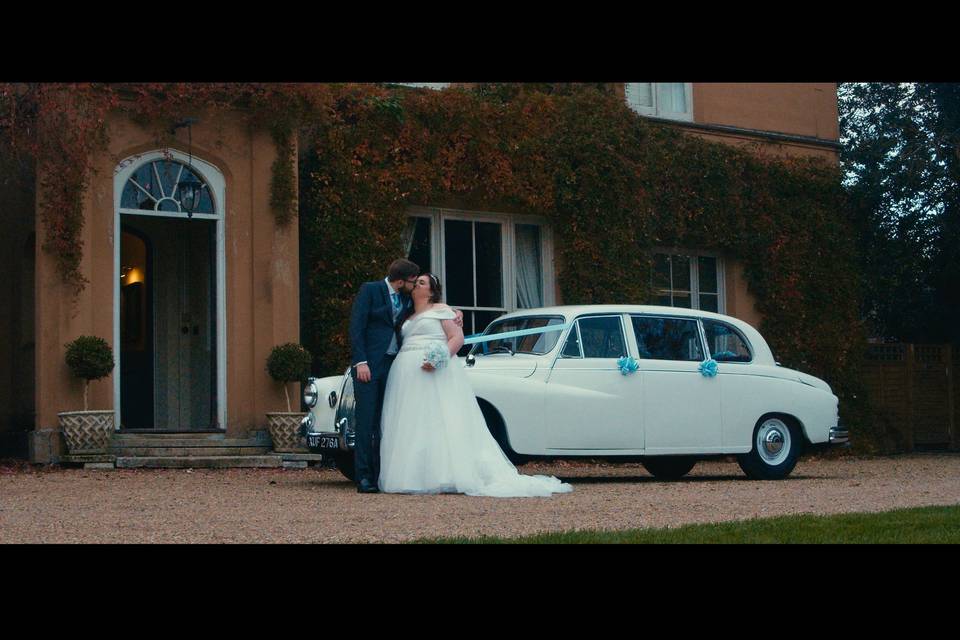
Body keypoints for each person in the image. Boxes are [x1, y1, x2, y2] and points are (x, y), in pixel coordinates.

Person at [378, 273, 573, 497]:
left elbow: (456, 338)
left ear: (431, 291)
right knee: (412, 423)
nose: (416, 285)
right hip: (407, 373)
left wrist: (439, 358)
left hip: (434, 371)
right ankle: (414, 475)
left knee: (440, 419)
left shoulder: (442, 310)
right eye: (416, 282)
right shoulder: (407, 314)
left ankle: (446, 475)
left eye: (422, 282)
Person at [348, 259, 462, 493]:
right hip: (368, 366)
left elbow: (434, 312)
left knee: (387, 421)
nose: (415, 285)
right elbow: (356, 326)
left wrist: (456, 313)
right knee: (366, 420)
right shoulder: (371, 290)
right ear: (401, 281)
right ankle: (364, 477)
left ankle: (382, 474)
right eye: (414, 281)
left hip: (394, 367)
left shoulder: (406, 301)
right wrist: (361, 361)